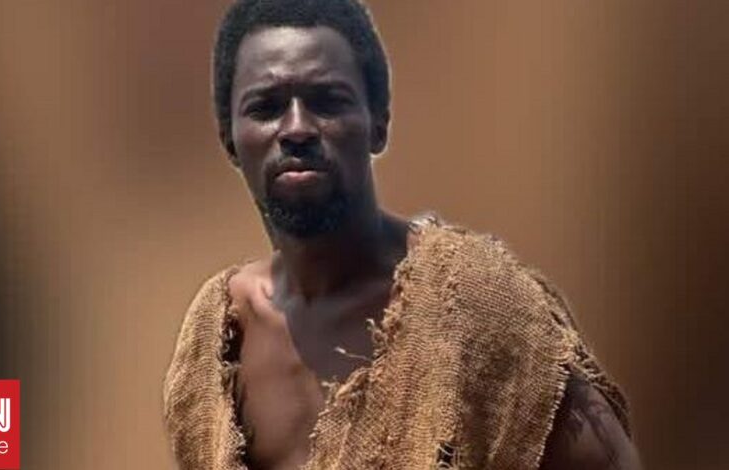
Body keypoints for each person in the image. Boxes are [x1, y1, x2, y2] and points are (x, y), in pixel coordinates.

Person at [163, 0, 643, 468]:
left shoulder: (470, 302)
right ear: (229, 138)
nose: (297, 128)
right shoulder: (216, 336)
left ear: (378, 124)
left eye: (327, 102)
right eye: (266, 107)